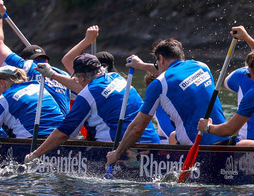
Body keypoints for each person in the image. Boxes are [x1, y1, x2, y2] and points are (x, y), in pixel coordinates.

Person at [106, 38, 227, 167]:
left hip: (196, 147)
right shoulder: (201, 66)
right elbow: (173, 74)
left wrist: (117, 153)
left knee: (173, 136)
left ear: (161, 59)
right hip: (223, 138)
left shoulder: (159, 84)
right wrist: (142, 66)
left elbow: (137, 128)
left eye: (157, 62)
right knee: (174, 135)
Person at [25, 54, 160, 162]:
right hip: (152, 144)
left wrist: (35, 154)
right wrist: (52, 75)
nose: (76, 81)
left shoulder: (88, 94)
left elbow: (63, 134)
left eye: (77, 77)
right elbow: (88, 90)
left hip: (121, 150)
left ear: (81, 76)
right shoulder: (116, 77)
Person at [0, 0, 71, 114]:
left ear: (26, 59)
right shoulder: (64, 75)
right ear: (46, 61)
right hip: (63, 124)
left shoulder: (26, 66)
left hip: (38, 122)